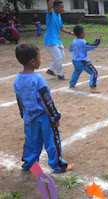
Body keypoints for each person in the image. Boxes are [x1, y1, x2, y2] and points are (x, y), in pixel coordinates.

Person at [14, 44, 74, 172]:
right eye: (39, 57)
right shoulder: (38, 80)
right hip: (44, 117)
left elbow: (19, 100)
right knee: (52, 141)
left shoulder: (17, 80)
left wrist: (23, 114)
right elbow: (47, 101)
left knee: (31, 141)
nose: (41, 59)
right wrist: (55, 116)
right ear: (33, 61)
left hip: (29, 117)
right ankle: (58, 165)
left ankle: (29, 164)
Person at [44, 0, 74, 80]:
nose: (62, 9)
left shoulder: (59, 16)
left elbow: (61, 27)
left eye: (63, 7)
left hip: (57, 40)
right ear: (55, 7)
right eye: (61, 7)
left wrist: (69, 32)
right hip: (50, 40)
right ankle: (60, 75)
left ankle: (51, 70)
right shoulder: (51, 14)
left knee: (61, 57)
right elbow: (49, 8)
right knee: (58, 58)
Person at [69, 25, 102, 93]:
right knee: (94, 71)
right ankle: (92, 87)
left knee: (77, 71)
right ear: (81, 34)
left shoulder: (74, 41)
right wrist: (98, 40)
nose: (84, 33)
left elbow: (70, 49)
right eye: (83, 32)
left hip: (75, 61)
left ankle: (72, 84)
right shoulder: (82, 42)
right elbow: (92, 45)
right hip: (81, 61)